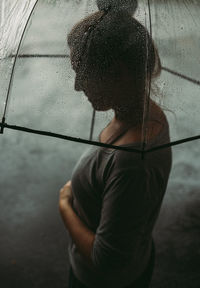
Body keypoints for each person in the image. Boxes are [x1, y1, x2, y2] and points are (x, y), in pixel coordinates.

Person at [59, 1, 172, 287]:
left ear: (118, 73)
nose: (76, 85)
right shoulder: (147, 114)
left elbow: (106, 260)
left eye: (82, 71)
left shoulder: (132, 162)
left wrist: (64, 206)